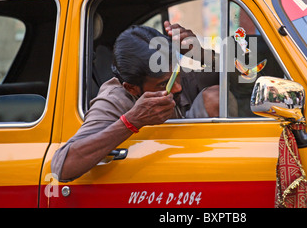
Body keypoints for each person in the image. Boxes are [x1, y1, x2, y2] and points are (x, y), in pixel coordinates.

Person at [51, 21, 219, 182]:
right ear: (132, 88)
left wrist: (201, 54)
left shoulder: (172, 75)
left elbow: (241, 79)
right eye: (164, 84)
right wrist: (131, 122)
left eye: (176, 75)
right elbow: (62, 167)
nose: (177, 88)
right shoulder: (114, 99)